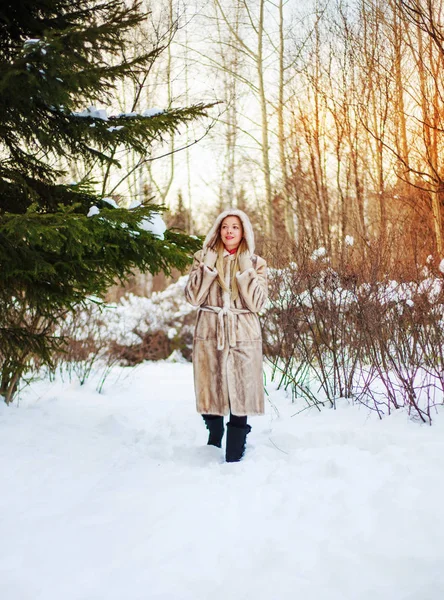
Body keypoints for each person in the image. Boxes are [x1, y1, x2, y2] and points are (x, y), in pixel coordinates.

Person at [185, 209, 268, 462]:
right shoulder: (202, 258)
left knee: (240, 393)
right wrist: (207, 267)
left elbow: (257, 303)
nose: (229, 231)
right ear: (217, 231)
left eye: (235, 227)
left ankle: (234, 452)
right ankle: (214, 435)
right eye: (224, 227)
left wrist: (246, 272)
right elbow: (193, 298)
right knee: (211, 388)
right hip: (211, 330)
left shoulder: (256, 263)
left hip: (243, 331)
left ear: (244, 232)